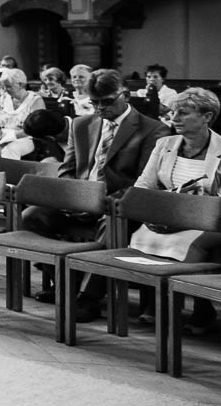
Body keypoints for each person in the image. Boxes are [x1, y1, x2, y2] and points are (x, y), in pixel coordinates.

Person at [18, 69, 165, 315]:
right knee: (30, 217)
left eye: (106, 102)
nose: (99, 108)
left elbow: (143, 181)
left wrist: (98, 203)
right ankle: (66, 282)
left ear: (125, 95)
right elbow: (68, 169)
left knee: (112, 225)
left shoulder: (152, 130)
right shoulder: (81, 124)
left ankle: (89, 297)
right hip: (79, 199)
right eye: (93, 102)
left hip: (120, 205)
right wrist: (73, 197)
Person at [127, 88, 221, 332]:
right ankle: (163, 303)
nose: (174, 118)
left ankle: (174, 309)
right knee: (140, 235)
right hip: (170, 214)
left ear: (207, 116)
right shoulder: (165, 144)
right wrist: (165, 205)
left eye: (183, 113)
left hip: (216, 220)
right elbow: (144, 185)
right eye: (173, 112)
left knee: (189, 243)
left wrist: (185, 210)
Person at [0, 67, 43, 167]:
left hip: (26, 137)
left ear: (21, 85)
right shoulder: (1, 99)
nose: (5, 90)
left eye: (8, 86)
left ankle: (10, 180)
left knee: (10, 151)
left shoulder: (35, 101)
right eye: (3, 86)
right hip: (3, 136)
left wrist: (14, 136)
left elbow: (37, 128)